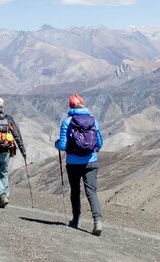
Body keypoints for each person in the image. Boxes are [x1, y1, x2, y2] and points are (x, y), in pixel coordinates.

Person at [55, 93, 104, 236]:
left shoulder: (67, 122)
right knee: (91, 191)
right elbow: (99, 143)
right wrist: (92, 153)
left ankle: (76, 220)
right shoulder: (93, 120)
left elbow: (63, 146)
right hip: (91, 161)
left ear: (70, 106)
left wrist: (56, 144)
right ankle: (98, 221)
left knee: (75, 191)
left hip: (73, 163)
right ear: (82, 104)